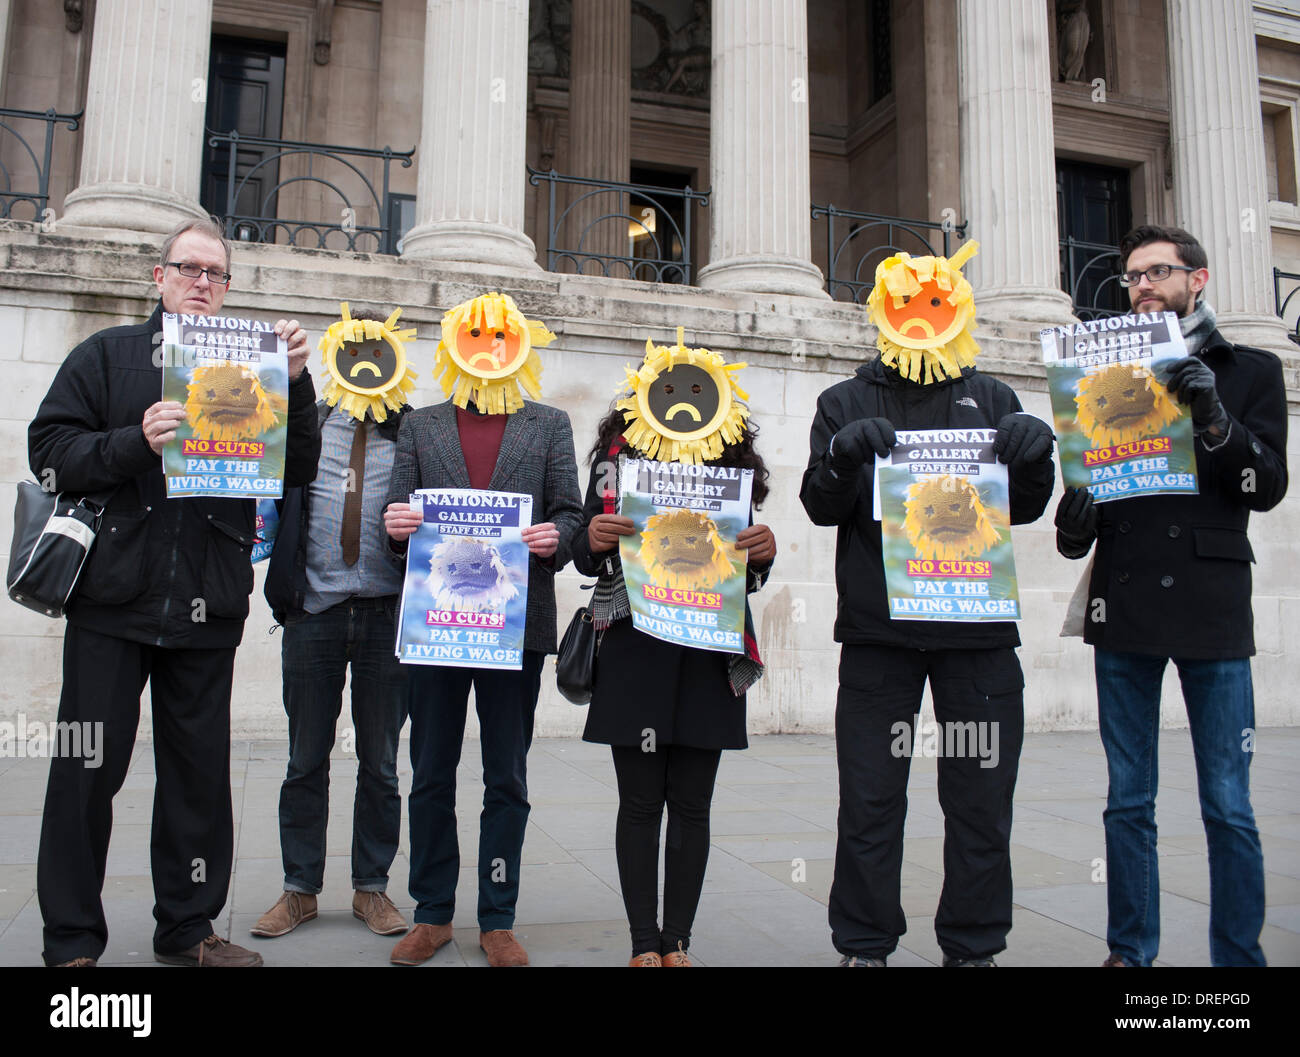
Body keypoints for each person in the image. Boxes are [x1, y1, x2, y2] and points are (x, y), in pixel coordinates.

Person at [28, 216, 321, 967]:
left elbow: (297, 470)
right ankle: (70, 941)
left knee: (196, 779)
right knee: (85, 770)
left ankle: (188, 929)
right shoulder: (108, 356)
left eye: (216, 274)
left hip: (207, 602)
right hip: (111, 602)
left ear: (226, 289)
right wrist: (135, 440)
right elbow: (50, 451)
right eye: (188, 268)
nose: (201, 282)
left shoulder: (255, 366)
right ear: (158, 277)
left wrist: (296, 382)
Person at [800, 242, 1055, 967]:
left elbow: (1027, 509)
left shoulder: (996, 396)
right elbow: (820, 508)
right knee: (871, 800)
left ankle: (973, 946)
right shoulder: (842, 401)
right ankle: (864, 944)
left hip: (977, 641)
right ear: (883, 311)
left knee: (980, 799)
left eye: (936, 304)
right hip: (880, 639)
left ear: (957, 312)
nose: (921, 315)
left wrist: (1039, 457)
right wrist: (841, 457)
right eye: (906, 303)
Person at [1053, 224, 1288, 967]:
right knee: (1129, 799)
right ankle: (1130, 953)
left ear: (1199, 279)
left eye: (1159, 272)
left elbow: (1267, 486)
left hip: (1213, 604)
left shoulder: (1250, 368)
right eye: (1131, 277)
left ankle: (1238, 961)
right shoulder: (1097, 373)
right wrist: (1073, 516)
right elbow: (1075, 523)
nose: (1144, 285)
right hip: (1123, 602)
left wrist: (1215, 419)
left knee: (1228, 803)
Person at [381, 292, 583, 967]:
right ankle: (432, 912)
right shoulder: (421, 425)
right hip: (436, 624)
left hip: (514, 626)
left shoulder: (549, 423)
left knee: (508, 775)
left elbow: (572, 513)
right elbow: (396, 512)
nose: (490, 342)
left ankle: (498, 916)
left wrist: (559, 533)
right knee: (431, 769)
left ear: (521, 344)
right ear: (454, 342)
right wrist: (395, 525)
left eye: (503, 334)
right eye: (477, 333)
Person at [571, 331, 776, 967]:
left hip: (709, 651)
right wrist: (596, 538)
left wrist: (761, 556)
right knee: (638, 805)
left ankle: (677, 943)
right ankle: (641, 945)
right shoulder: (616, 450)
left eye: (697, 390)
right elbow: (581, 550)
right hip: (635, 645)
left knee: (692, 804)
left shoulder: (734, 458)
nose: (684, 401)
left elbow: (745, 566)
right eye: (670, 389)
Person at [252, 303, 420, 943]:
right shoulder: (303, 426)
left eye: (380, 352)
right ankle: (299, 889)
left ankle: (371, 889)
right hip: (314, 614)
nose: (367, 362)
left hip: (387, 618)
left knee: (380, 760)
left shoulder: (415, 438)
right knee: (304, 759)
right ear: (338, 358)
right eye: (356, 350)